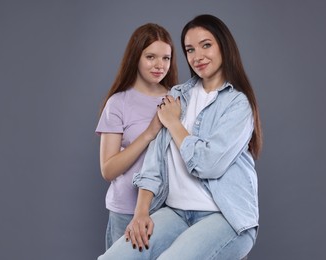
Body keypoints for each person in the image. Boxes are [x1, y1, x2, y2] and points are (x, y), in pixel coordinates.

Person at [98, 13, 262, 260]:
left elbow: (209, 164)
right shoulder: (178, 94)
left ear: (224, 47)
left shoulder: (238, 104)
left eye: (206, 45)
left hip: (223, 216)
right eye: (190, 49)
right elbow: (154, 162)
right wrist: (141, 211)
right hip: (175, 213)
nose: (198, 56)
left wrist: (173, 123)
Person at [95, 23, 178, 250]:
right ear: (136, 57)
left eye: (166, 58)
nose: (159, 65)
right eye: (151, 57)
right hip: (125, 211)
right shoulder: (118, 103)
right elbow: (108, 170)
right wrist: (149, 133)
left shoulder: (177, 99)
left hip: (168, 209)